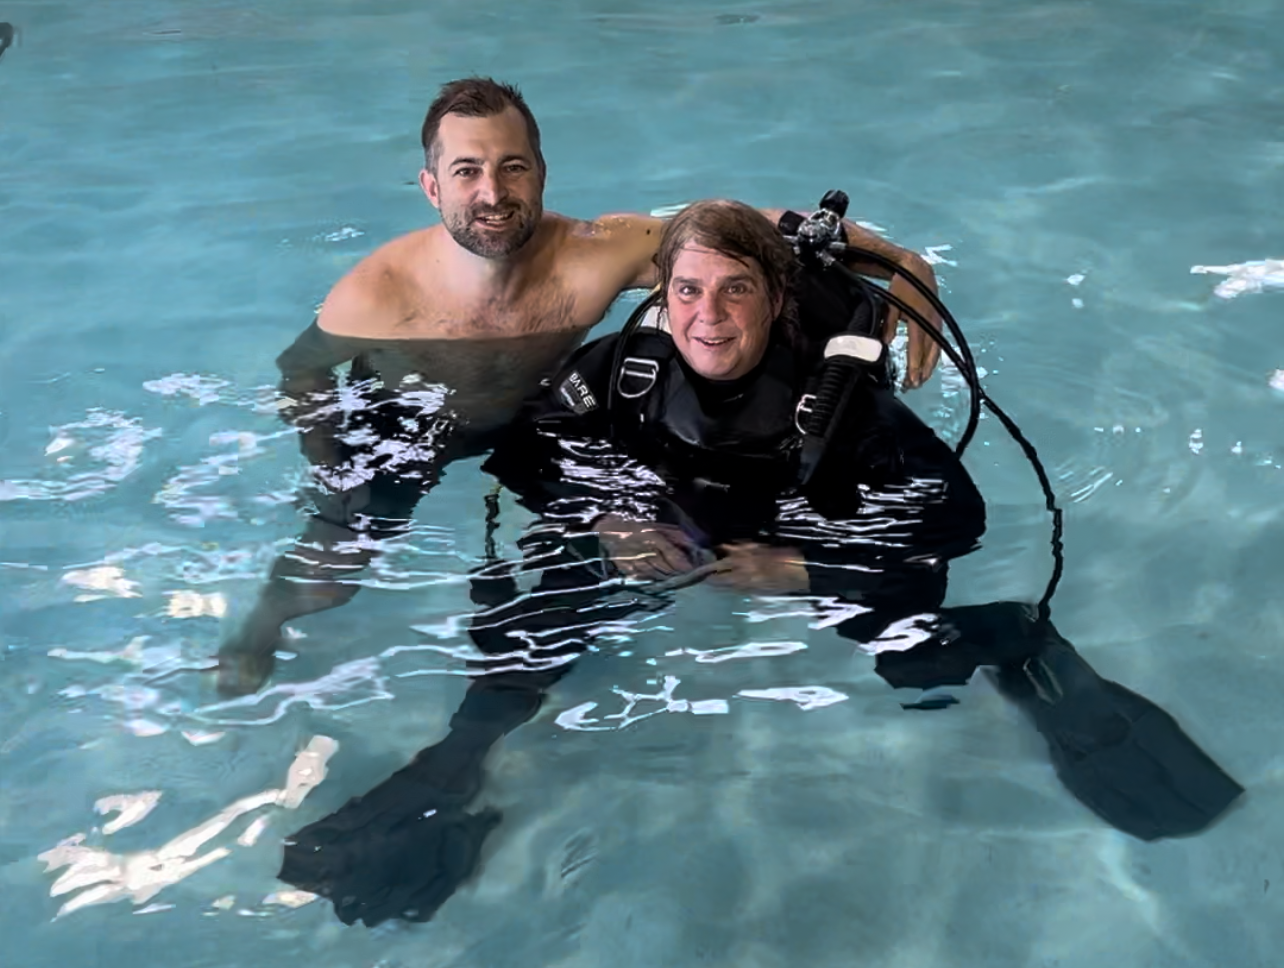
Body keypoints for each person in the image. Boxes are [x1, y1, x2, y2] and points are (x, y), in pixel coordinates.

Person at [274, 200, 1244, 928]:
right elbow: (532, 443)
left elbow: (952, 513)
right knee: (542, 609)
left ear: (776, 301)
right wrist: (611, 513)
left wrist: (807, 567)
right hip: (663, 513)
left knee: (916, 656)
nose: (707, 315)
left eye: (735, 290)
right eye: (688, 290)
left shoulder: (836, 401)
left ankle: (1014, 645)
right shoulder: (627, 366)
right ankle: (456, 764)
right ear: (662, 296)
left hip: (806, 517)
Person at [216, 77, 943, 695]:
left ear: (541, 170)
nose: (492, 193)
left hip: (554, 427)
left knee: (653, 547)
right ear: (431, 186)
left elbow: (740, 236)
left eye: (513, 167)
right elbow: (300, 369)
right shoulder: (374, 293)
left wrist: (906, 265)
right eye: (467, 171)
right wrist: (331, 464)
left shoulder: (596, 253)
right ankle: (263, 624)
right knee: (333, 573)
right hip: (415, 423)